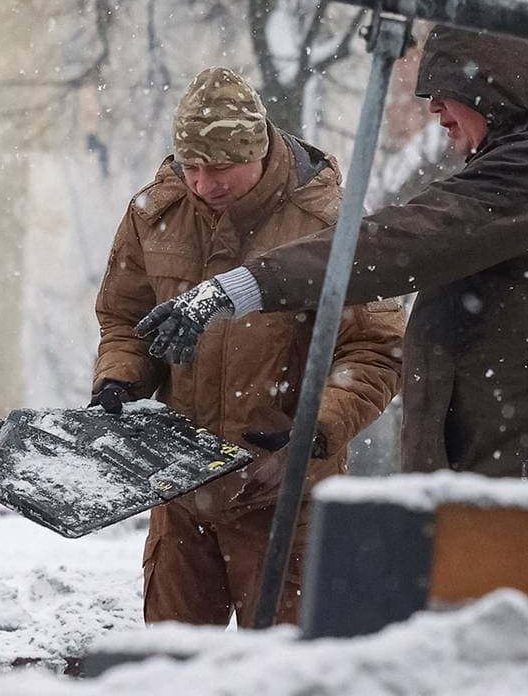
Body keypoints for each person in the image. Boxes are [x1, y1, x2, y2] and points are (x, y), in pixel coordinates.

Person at [138, 27, 528, 483]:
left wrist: (241, 287)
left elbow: (408, 239)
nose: (433, 106)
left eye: (445, 88)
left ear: (491, 85)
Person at [93, 68, 404, 626]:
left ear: (258, 152)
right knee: (172, 663)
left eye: (219, 169)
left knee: (284, 667)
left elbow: (377, 349)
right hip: (180, 493)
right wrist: (119, 379)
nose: (202, 184)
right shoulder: (154, 214)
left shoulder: (329, 223)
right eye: (190, 167)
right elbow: (125, 319)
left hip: (285, 496)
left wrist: (313, 430)